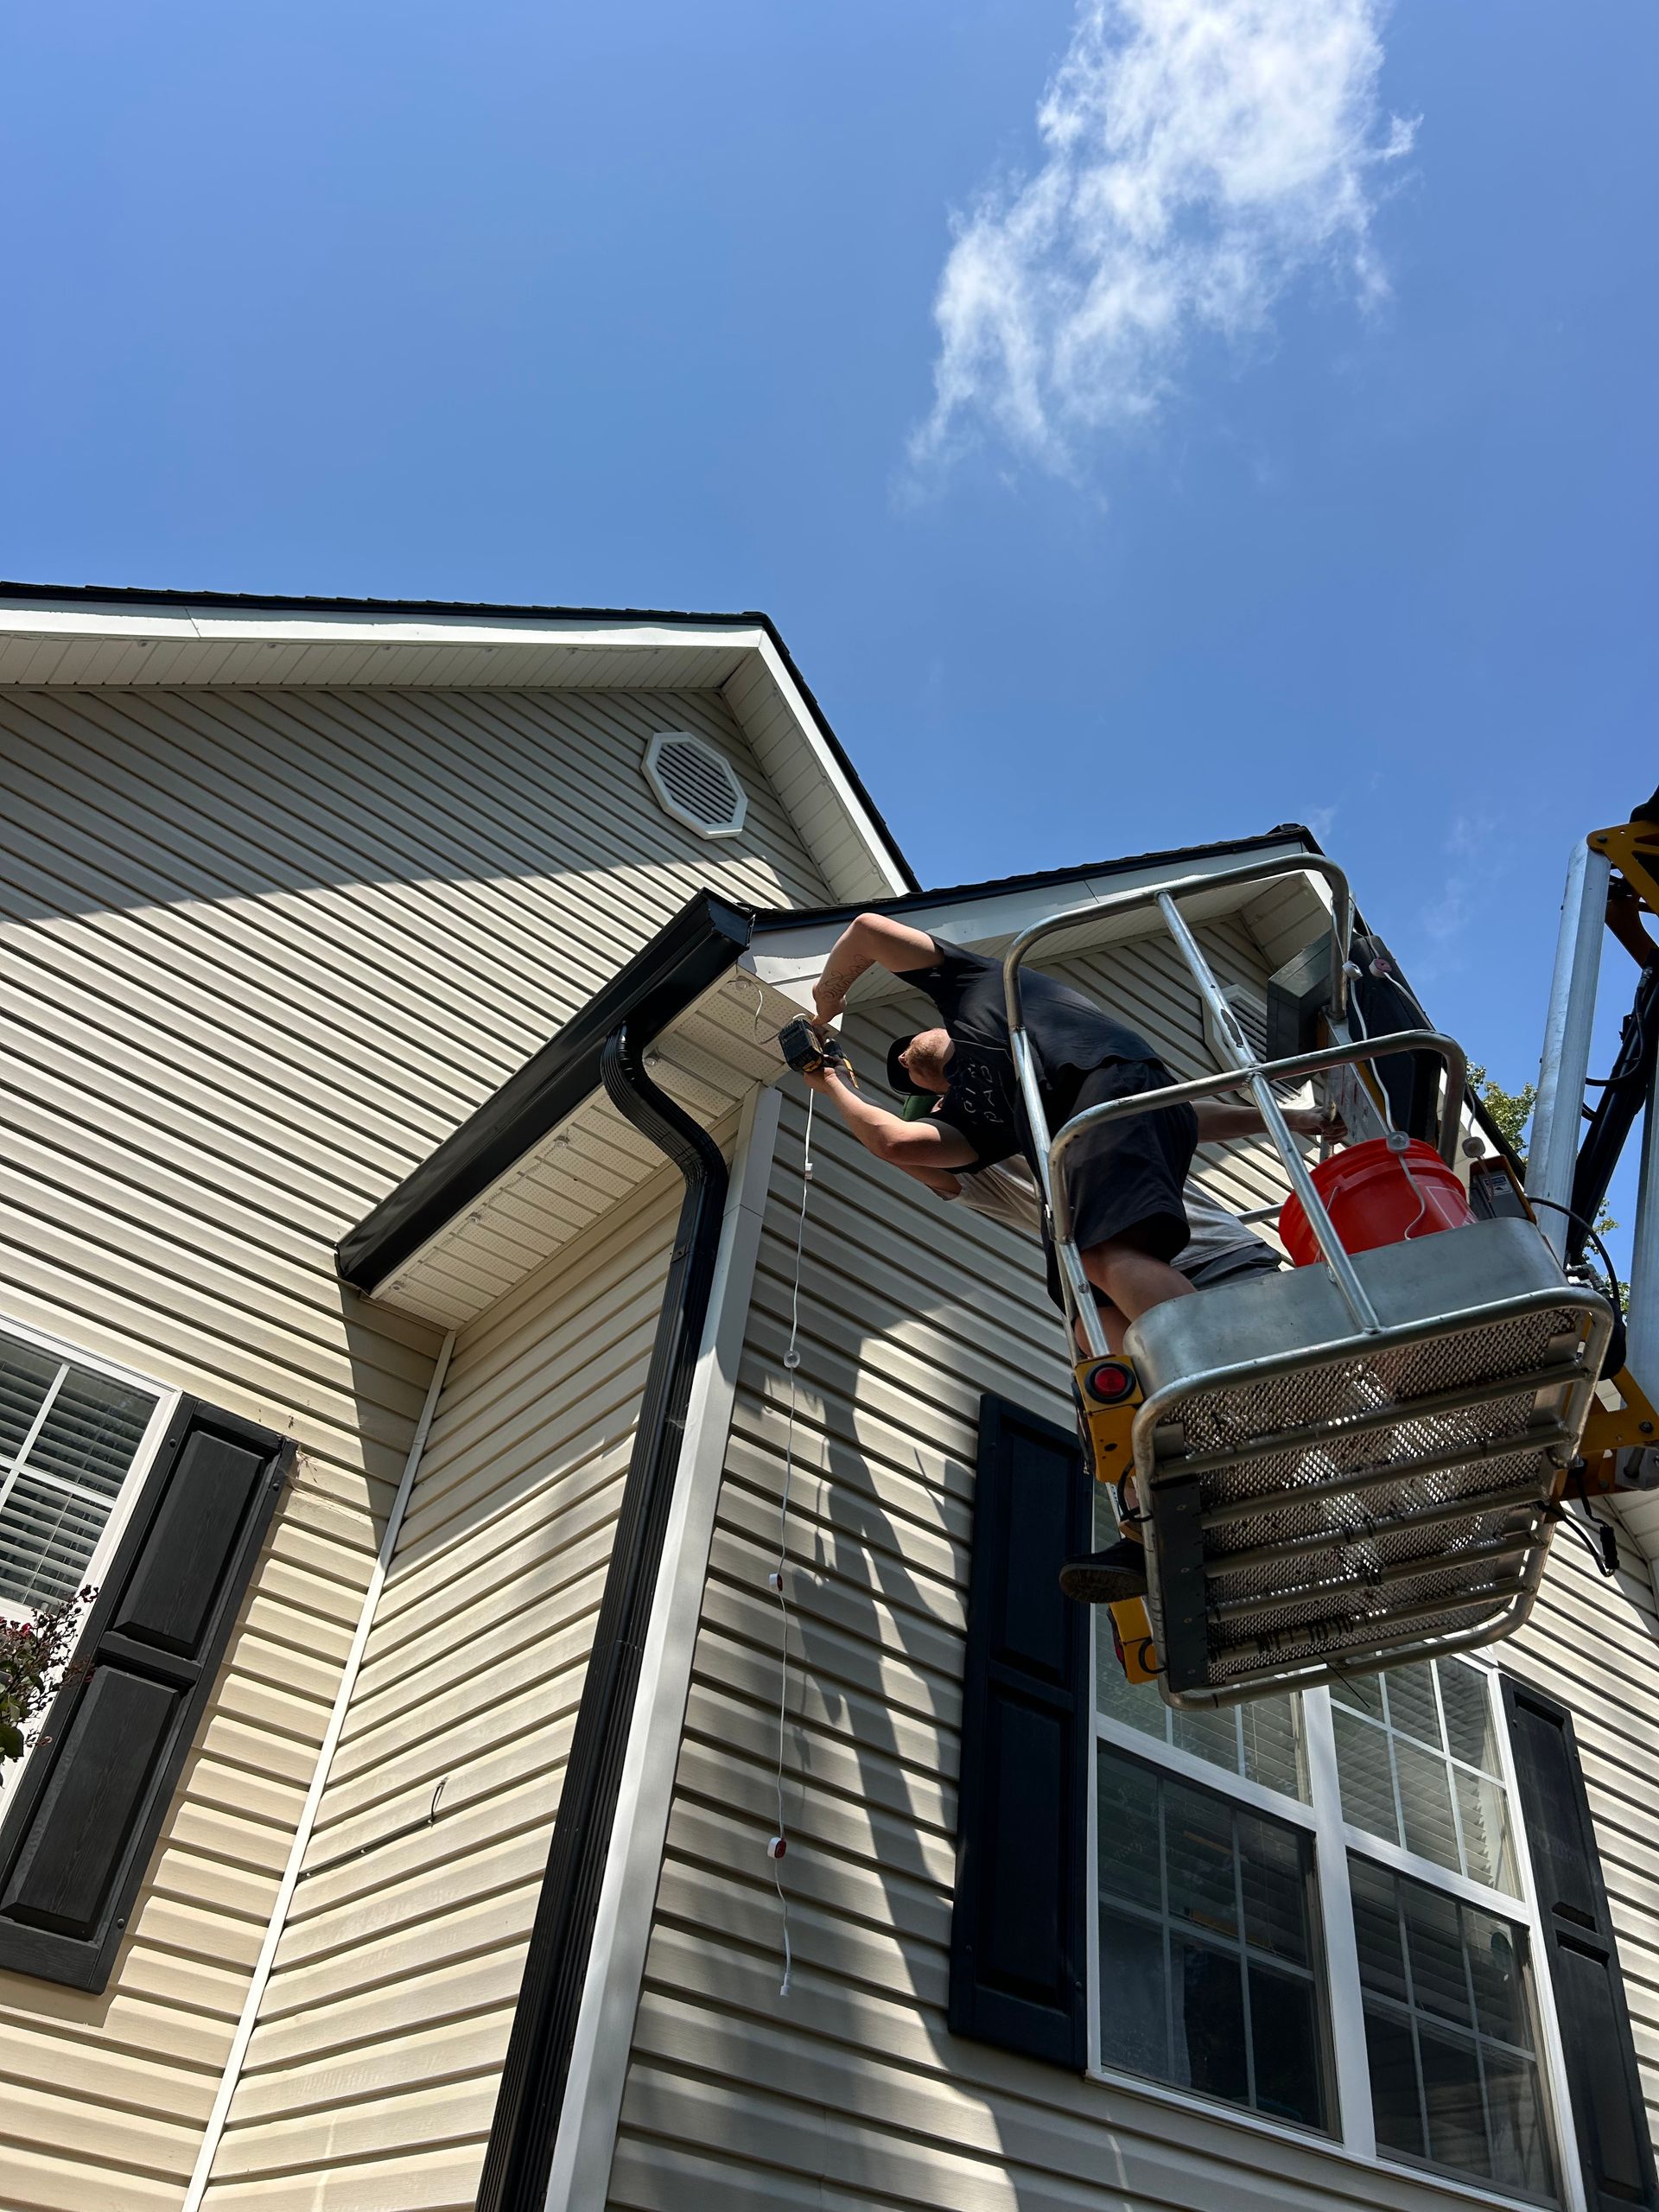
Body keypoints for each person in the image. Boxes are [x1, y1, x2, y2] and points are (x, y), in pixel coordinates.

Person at [801, 911, 1333, 1602]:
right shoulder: (992, 1128)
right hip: (1134, 1267)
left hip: (1212, 1265)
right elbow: (902, 1149)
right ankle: (1158, 1523)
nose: (904, 1052)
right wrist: (831, 1082)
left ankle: (1248, 1406)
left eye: (910, 1040)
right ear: (930, 1096)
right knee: (1093, 1341)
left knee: (1105, 1251)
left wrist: (827, 1000)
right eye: (902, 1065)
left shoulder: (992, 996)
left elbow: (870, 932)